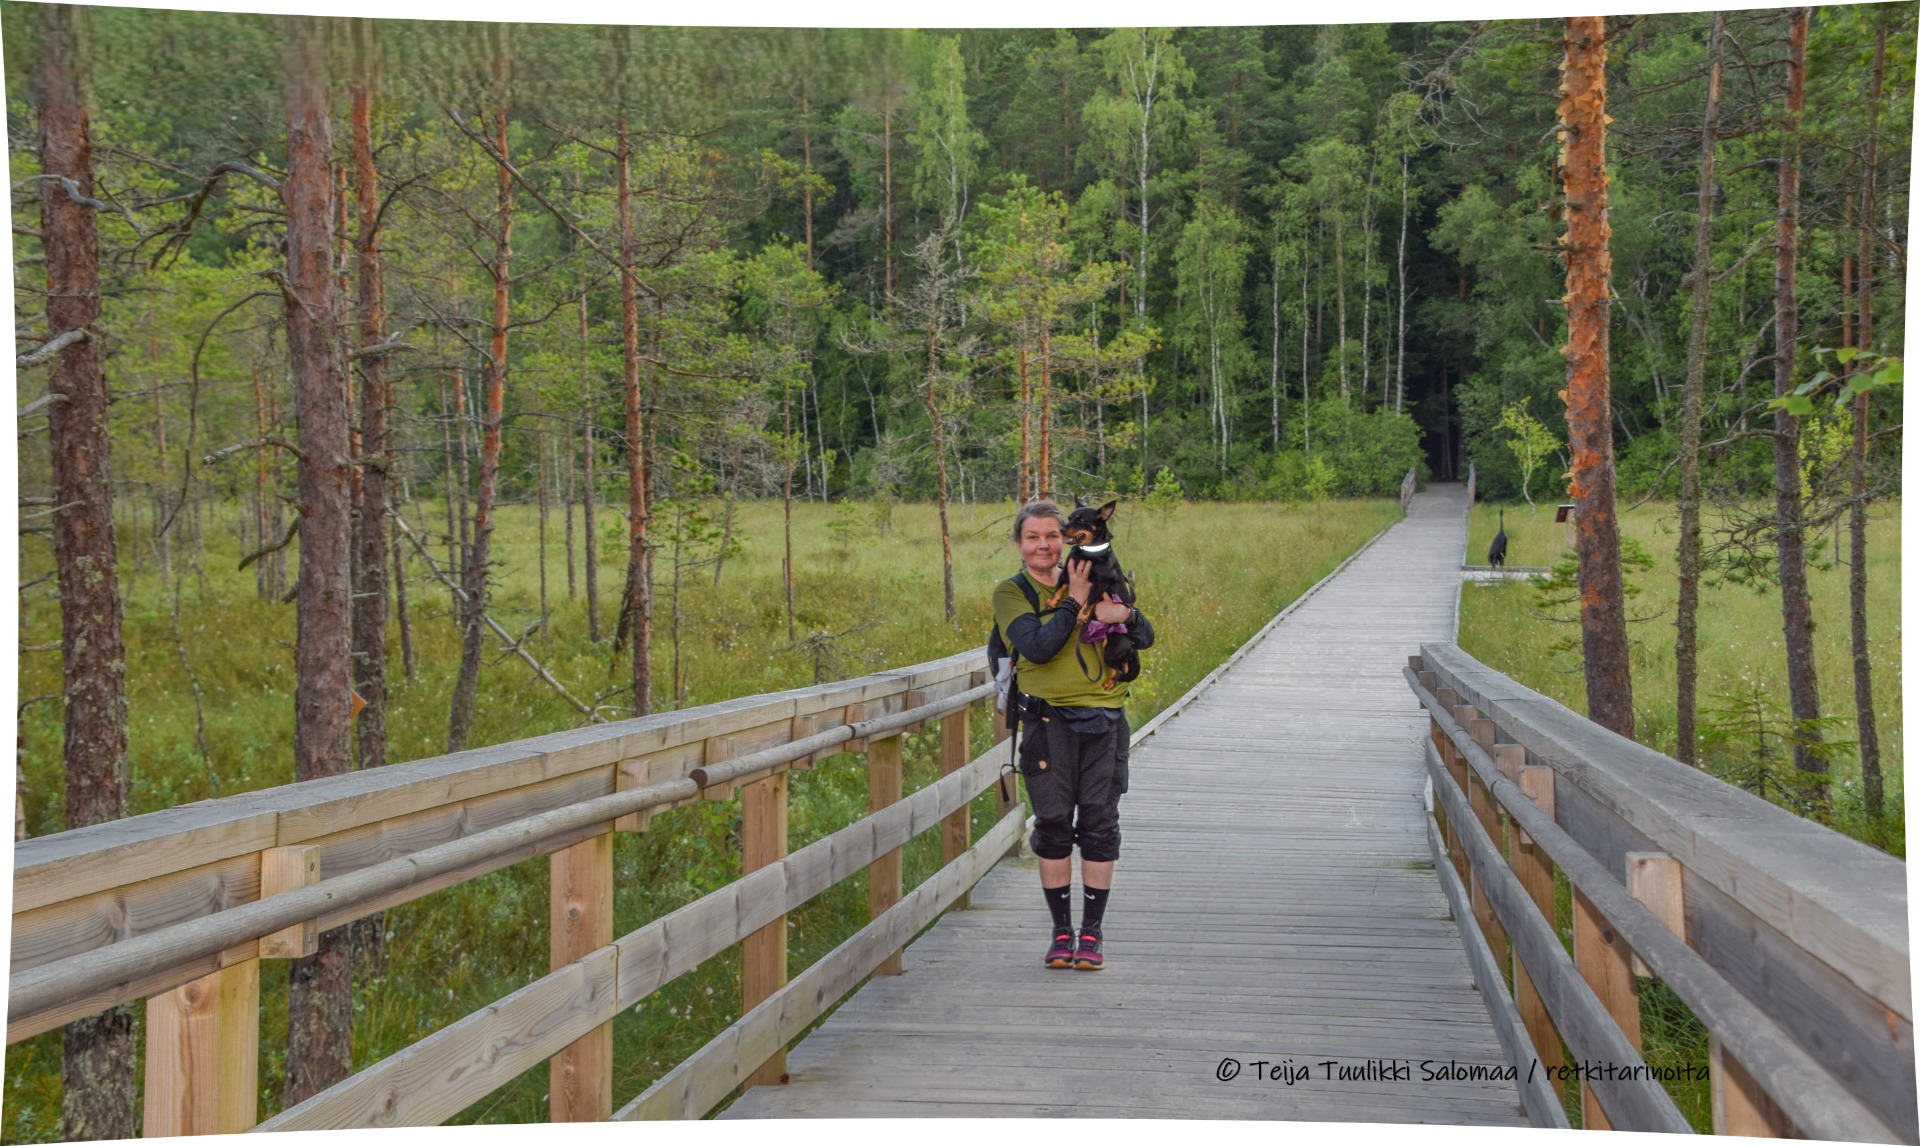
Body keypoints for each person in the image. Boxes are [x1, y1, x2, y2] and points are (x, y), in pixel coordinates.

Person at [994, 499, 1154, 971]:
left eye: (1050, 535)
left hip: (1105, 723)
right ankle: (1062, 932)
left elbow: (1144, 635)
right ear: (1020, 544)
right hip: (1048, 724)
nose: (1045, 544)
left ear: (1064, 537)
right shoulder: (1013, 593)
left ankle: (1093, 935)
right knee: (1055, 825)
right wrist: (1074, 602)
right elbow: (1038, 649)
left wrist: (1122, 616)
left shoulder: (1097, 571)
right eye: (1033, 537)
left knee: (1101, 827)